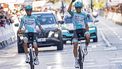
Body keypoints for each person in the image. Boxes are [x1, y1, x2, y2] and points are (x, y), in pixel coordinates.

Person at [68, 0, 90, 68]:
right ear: (75, 8)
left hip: (83, 29)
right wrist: (71, 2)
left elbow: (86, 24)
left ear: (81, 7)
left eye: (79, 7)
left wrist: (88, 31)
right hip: (75, 30)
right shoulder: (73, 14)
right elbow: (68, 10)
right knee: (75, 44)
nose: (78, 9)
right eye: (77, 8)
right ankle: (76, 60)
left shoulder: (84, 14)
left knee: (88, 36)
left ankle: (85, 48)